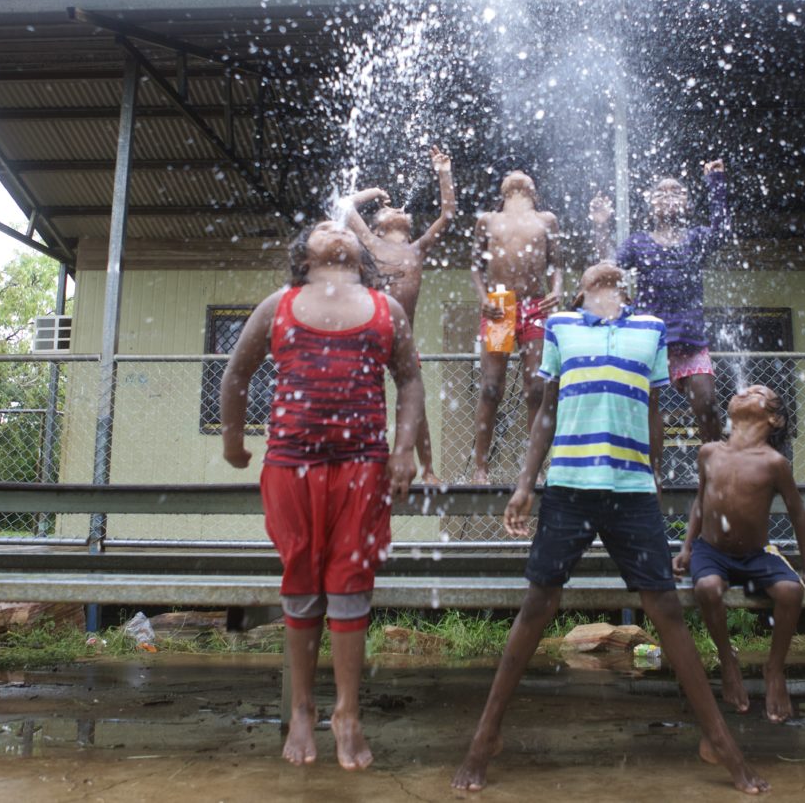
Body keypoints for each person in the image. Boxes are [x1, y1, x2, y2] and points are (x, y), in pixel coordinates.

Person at [451, 261, 768, 796]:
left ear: (625, 286)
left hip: (632, 490)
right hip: (568, 487)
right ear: (579, 290)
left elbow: (653, 411)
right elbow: (545, 412)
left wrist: (655, 473)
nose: (605, 269)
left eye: (612, 271)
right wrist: (526, 484)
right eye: (594, 271)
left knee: (665, 608)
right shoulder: (561, 326)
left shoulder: (650, 329)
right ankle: (485, 737)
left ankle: (719, 740)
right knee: (537, 604)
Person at [219, 218, 425, 771]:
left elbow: (410, 380)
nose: (335, 226)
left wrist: (404, 449)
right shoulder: (279, 305)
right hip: (292, 465)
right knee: (303, 578)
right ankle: (303, 708)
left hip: (364, 466)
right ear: (303, 258)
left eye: (343, 227)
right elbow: (236, 372)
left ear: (361, 255)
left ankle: (348, 713)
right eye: (321, 226)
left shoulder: (386, 310)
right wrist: (233, 441)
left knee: (351, 583)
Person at [673, 384, 805, 723]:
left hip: (756, 554)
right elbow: (700, 503)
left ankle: (774, 669)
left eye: (758, 391)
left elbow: (798, 514)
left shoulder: (775, 463)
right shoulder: (709, 453)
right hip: (710, 551)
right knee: (707, 588)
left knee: (791, 590)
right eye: (745, 389)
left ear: (775, 419)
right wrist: (686, 548)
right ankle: (727, 661)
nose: (746, 390)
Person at [590, 158, 731, 444]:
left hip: (690, 342)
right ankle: (653, 471)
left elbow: (722, 233)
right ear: (651, 205)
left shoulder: (695, 239)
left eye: (676, 191)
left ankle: (714, 467)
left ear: (687, 205)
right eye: (661, 192)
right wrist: (601, 227)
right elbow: (608, 268)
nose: (668, 196)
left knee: (707, 404)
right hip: (649, 340)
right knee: (647, 410)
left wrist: (716, 184)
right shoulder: (638, 243)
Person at [341, 147, 458, 482]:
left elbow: (448, 216)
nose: (396, 208)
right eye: (388, 208)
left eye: (398, 208)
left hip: (403, 338)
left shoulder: (417, 248)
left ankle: (428, 469)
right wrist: (374, 192)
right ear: (377, 228)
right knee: (364, 396)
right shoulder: (369, 242)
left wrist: (443, 172)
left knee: (413, 401)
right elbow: (344, 205)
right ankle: (365, 460)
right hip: (369, 336)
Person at [470, 169, 563, 483]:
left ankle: (533, 468)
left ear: (534, 192)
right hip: (499, 305)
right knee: (491, 386)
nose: (518, 176)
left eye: (525, 178)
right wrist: (483, 297)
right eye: (512, 177)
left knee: (536, 387)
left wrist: (557, 290)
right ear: (502, 191)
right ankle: (481, 468)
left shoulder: (546, 219)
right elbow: (475, 267)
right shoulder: (488, 220)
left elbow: (556, 264)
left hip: (535, 305)